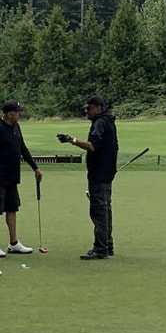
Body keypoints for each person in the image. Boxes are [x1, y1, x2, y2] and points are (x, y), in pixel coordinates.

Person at [0, 99, 41, 257]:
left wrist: (35, 168)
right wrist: (1, 161)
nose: (20, 114)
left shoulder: (16, 127)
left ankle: (14, 243)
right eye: (18, 112)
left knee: (12, 208)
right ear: (9, 114)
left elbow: (22, 148)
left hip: (12, 177)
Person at [62, 94, 119, 260]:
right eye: (85, 108)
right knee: (105, 209)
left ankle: (100, 248)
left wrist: (71, 140)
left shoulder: (100, 123)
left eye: (90, 108)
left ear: (100, 108)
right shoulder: (108, 121)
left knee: (99, 211)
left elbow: (92, 146)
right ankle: (107, 245)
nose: (86, 111)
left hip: (99, 173)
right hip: (107, 172)